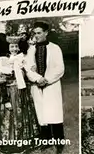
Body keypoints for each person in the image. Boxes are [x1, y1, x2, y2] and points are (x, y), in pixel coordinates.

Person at [0, 34, 41, 154]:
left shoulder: (23, 58)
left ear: (19, 47)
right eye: (12, 46)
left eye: (16, 46)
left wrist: (38, 78)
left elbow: (29, 72)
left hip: (22, 92)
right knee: (10, 115)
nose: (14, 49)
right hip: (10, 92)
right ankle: (10, 143)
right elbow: (1, 82)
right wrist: (5, 100)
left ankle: (25, 141)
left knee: (24, 115)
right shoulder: (4, 61)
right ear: (8, 48)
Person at [25, 22, 65, 154]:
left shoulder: (55, 48)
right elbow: (28, 69)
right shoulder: (31, 50)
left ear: (46, 33)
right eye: (34, 33)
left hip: (51, 85)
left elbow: (60, 69)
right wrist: (38, 78)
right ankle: (46, 141)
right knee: (41, 114)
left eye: (39, 33)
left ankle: (59, 143)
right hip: (37, 85)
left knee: (54, 113)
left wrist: (47, 80)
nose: (36, 36)